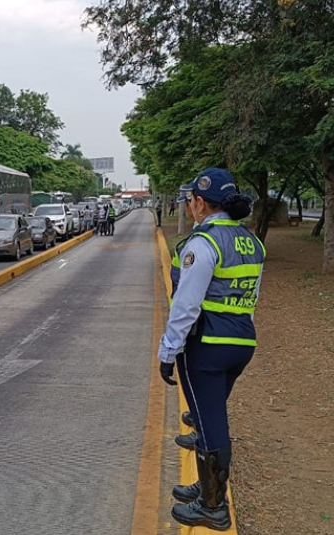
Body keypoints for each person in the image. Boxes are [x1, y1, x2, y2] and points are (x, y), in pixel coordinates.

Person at [157, 168, 261, 531]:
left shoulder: (204, 243)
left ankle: (213, 506)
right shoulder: (250, 241)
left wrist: (168, 351)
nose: (188, 205)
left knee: (209, 424)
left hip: (207, 346)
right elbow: (249, 296)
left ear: (200, 203)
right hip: (241, 341)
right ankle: (207, 487)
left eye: (189, 200)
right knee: (209, 417)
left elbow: (186, 305)